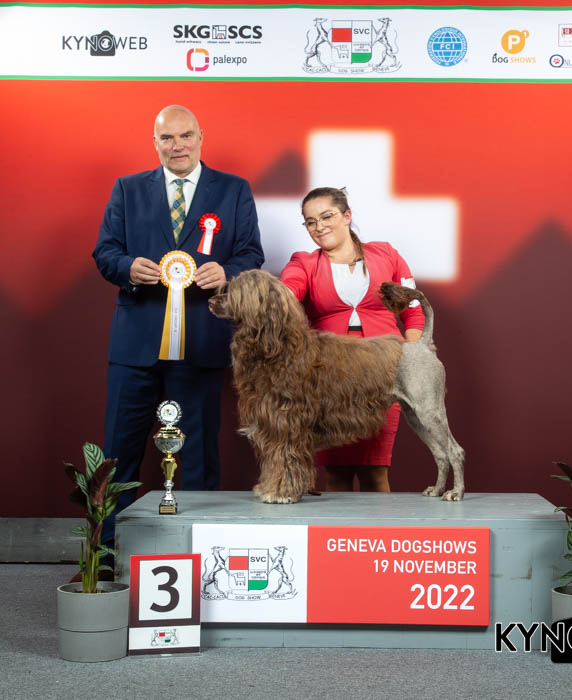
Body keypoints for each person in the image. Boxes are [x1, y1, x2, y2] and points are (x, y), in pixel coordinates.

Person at [93, 105, 264, 553]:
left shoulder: (233, 189)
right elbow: (105, 253)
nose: (177, 146)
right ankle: (105, 556)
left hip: (202, 342)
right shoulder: (128, 189)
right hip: (135, 345)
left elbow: (251, 253)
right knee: (118, 455)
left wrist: (226, 272)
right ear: (155, 143)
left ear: (201, 136)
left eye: (185, 136)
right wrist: (128, 267)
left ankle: (200, 555)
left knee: (199, 456)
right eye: (167, 138)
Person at [280, 187, 424, 493]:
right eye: (310, 222)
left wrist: (411, 358)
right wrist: (276, 297)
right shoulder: (303, 263)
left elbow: (413, 310)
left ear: (347, 216)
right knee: (336, 473)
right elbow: (287, 291)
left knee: (376, 471)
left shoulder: (387, 254)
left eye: (326, 216)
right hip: (329, 378)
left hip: (384, 373)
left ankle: (378, 527)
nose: (319, 227)